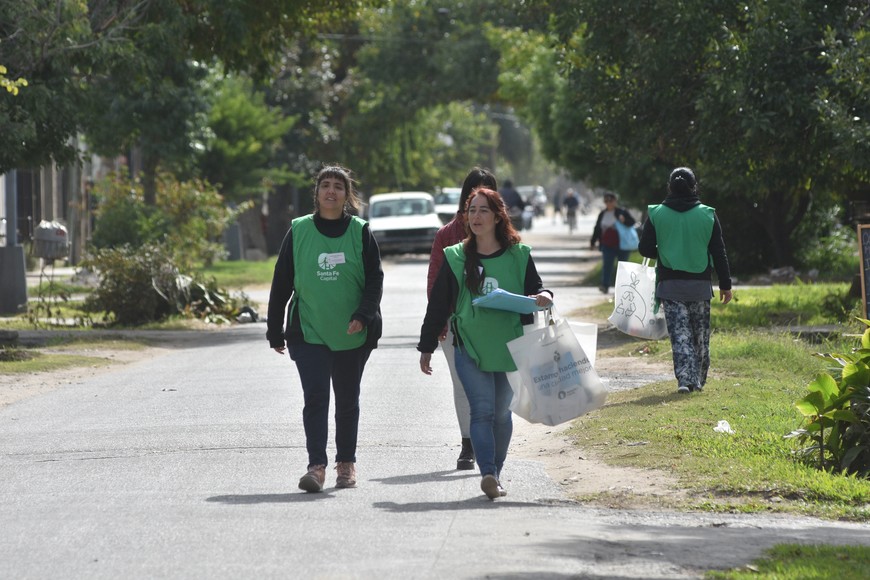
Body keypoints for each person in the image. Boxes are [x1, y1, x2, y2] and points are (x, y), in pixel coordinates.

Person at [418, 187, 553, 499]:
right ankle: (488, 473)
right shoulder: (455, 257)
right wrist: (426, 346)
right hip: (470, 347)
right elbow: (438, 304)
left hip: (509, 346)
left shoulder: (519, 255)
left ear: (498, 217)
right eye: (472, 210)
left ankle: (496, 473)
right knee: (481, 411)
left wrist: (545, 296)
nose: (476, 216)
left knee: (502, 414)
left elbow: (537, 288)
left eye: (483, 210)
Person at [266, 164, 384, 492]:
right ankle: (316, 466)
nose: (331, 191)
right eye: (325, 185)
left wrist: (363, 314)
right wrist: (274, 328)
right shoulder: (299, 231)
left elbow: (374, 279)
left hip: (352, 332)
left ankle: (346, 463)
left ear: (347, 195)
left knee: (347, 399)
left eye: (338, 186)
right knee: (316, 397)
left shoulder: (360, 232)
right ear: (316, 193)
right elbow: (281, 281)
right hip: (309, 331)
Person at [427, 167, 498, 471]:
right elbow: (434, 283)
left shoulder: (505, 237)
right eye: (473, 196)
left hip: (495, 324)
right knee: (463, 385)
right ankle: (468, 444)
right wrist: (439, 323)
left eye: (486, 198)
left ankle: (491, 442)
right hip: (456, 325)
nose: (478, 207)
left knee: (495, 384)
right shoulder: (446, 235)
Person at [638, 167, 732, 394]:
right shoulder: (707, 214)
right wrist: (725, 284)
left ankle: (685, 380)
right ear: (694, 187)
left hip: (670, 286)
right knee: (700, 336)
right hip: (700, 286)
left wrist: (665, 248)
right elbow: (719, 252)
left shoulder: (657, 214)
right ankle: (697, 380)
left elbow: (645, 248)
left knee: (680, 335)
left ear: (669, 187)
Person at [590, 192, 636, 293]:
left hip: (622, 244)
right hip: (607, 244)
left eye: (611, 201)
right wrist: (593, 242)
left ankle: (622, 288)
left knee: (623, 267)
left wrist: (624, 221)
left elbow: (632, 222)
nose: (609, 203)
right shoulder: (602, 214)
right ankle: (605, 285)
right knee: (607, 266)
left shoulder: (622, 212)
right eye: (606, 201)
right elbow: (597, 228)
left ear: (615, 201)